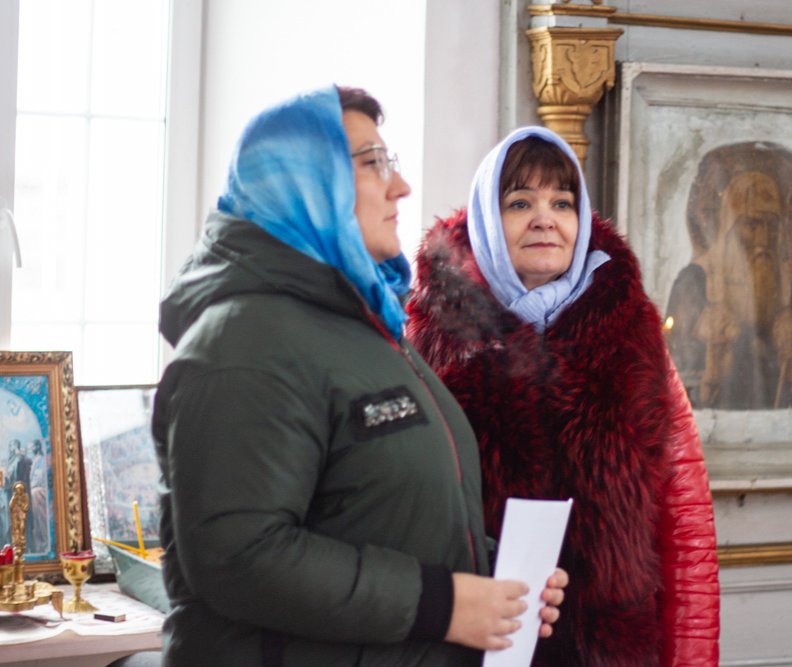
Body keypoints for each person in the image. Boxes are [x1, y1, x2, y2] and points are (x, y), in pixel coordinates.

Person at [152, 86, 566, 667]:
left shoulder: (363, 323)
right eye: (374, 163)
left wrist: (495, 581)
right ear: (303, 181)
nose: (401, 187)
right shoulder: (243, 340)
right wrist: (443, 604)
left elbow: (375, 510)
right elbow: (239, 555)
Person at [406, 127, 720, 666]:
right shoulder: (430, 343)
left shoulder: (632, 338)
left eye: (562, 202)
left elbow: (685, 523)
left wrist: (692, 660)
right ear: (486, 220)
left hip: (612, 651)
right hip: (469, 645)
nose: (544, 219)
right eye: (520, 202)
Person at [665, 141, 792, 410]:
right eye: (751, 225)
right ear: (727, 225)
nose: (763, 240)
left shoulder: (790, 285)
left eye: (771, 226)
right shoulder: (694, 282)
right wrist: (713, 363)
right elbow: (675, 384)